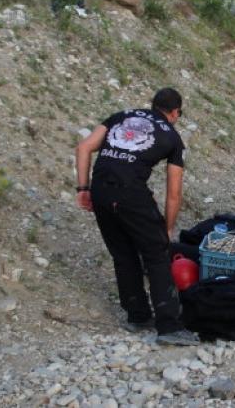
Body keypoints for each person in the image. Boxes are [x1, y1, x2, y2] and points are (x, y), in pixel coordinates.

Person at [74, 88, 199, 346]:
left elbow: (84, 147)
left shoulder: (121, 116)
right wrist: (167, 229)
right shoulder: (172, 137)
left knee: (122, 253)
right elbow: (174, 193)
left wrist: (83, 188)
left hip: (100, 190)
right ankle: (169, 326)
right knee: (157, 254)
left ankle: (137, 315)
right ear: (175, 112)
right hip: (131, 192)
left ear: (153, 105)